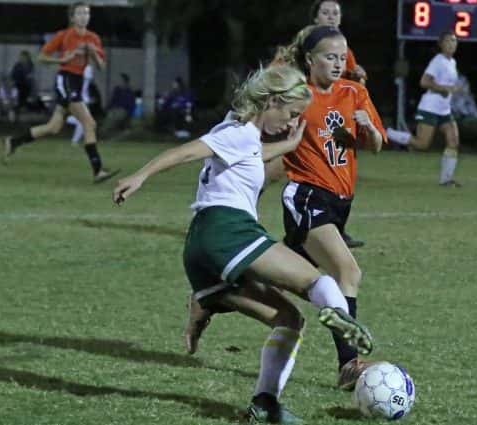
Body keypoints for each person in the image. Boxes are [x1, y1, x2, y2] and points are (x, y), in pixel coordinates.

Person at [112, 64, 374, 423]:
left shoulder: (244, 135)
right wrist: (140, 176)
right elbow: (188, 151)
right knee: (321, 282)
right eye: (291, 114)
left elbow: (253, 156)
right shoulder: (237, 132)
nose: (290, 122)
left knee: (288, 320)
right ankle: (340, 317)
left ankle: (263, 405)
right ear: (272, 101)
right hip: (228, 230)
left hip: (199, 246)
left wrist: (291, 142)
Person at [185, 25, 386, 393]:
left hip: (340, 202)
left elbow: (376, 144)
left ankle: (211, 296)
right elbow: (263, 148)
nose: (338, 63)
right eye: (330, 57)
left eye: (343, 57)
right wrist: (244, 194)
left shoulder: (354, 92)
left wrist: (364, 131)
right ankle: (349, 364)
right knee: (346, 272)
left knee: (285, 279)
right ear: (310, 60)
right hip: (307, 197)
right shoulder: (298, 97)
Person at [2, 2, 118, 183]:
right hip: (66, 80)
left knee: (53, 127)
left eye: (87, 13)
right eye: (80, 13)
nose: (84, 17)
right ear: (72, 17)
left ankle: (14, 142)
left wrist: (93, 53)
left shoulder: (93, 38)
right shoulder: (64, 36)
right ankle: (97, 170)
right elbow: (41, 56)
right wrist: (64, 58)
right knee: (89, 123)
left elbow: (101, 66)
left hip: (77, 83)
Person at [305, 0, 368, 248]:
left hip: (337, 113)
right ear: (315, 17)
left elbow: (352, 75)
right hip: (310, 111)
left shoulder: (343, 46)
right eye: (325, 12)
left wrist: (358, 76)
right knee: (288, 166)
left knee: (342, 164)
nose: (331, 16)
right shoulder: (307, 41)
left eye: (335, 13)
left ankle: (336, 229)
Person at [386, 32, 463, 187]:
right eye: (448, 41)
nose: (452, 44)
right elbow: (424, 81)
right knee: (422, 144)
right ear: (441, 44)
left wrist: (454, 89)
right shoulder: (438, 61)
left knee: (453, 140)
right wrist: (443, 89)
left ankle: (446, 180)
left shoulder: (452, 62)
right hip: (430, 107)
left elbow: (448, 85)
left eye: (454, 41)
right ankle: (387, 133)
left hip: (444, 109)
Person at [66, 64, 95, 145]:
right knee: (84, 121)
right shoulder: (85, 67)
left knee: (83, 121)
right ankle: (74, 141)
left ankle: (65, 120)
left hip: (83, 98)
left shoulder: (86, 67)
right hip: (79, 98)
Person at [99, 72, 136, 136]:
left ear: (124, 81)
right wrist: (107, 109)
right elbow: (112, 101)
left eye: (119, 80)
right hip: (114, 109)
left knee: (112, 118)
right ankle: (102, 133)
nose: (117, 82)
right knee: (109, 116)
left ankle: (102, 133)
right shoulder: (117, 90)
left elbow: (131, 105)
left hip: (123, 110)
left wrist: (129, 115)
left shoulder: (129, 92)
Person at [10, 50, 35, 114]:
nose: (22, 58)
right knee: (18, 98)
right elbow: (13, 74)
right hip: (18, 84)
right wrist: (13, 81)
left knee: (24, 98)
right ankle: (17, 109)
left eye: (23, 57)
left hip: (26, 85)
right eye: (21, 57)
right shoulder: (17, 65)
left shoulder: (30, 65)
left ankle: (22, 109)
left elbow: (30, 75)